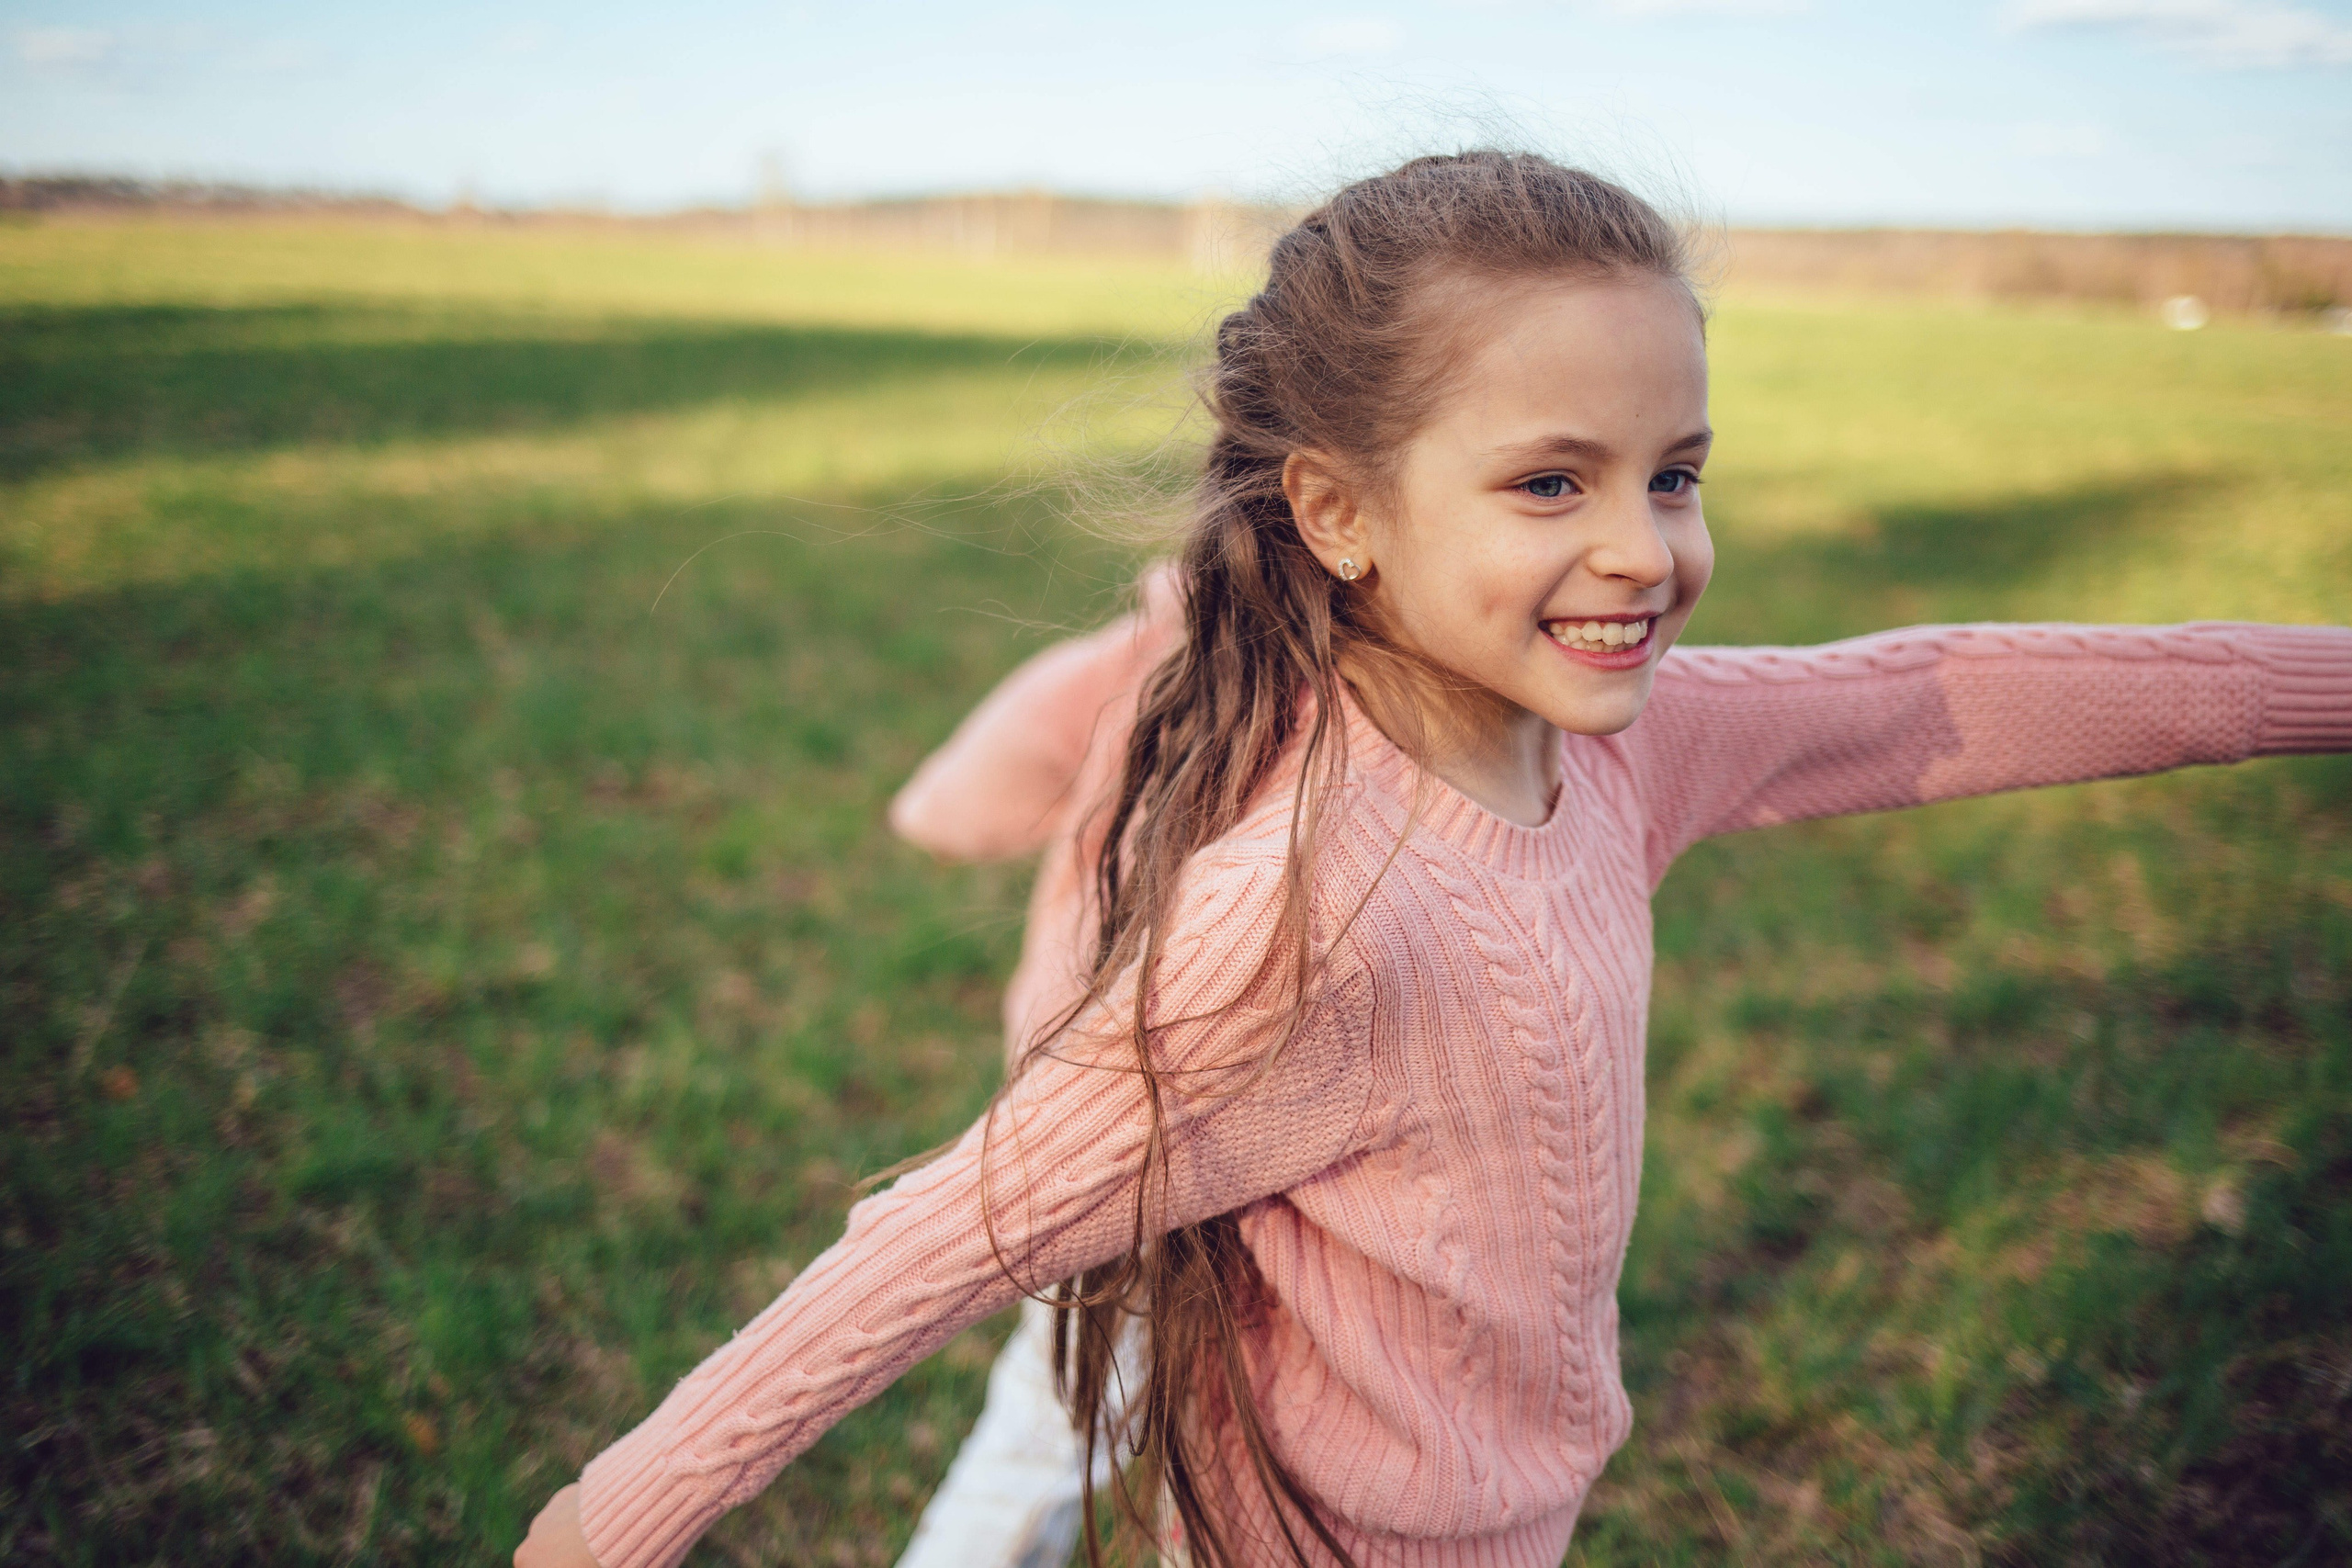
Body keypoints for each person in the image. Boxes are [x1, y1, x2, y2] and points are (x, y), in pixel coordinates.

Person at [514, 151, 2352, 1568]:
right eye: (1550, 482)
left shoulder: (1621, 751)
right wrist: (605, 1524)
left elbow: (1947, 688)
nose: (1641, 545)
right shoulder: (1303, 913)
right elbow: (940, 1234)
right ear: (1334, 509)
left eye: (1673, 471)